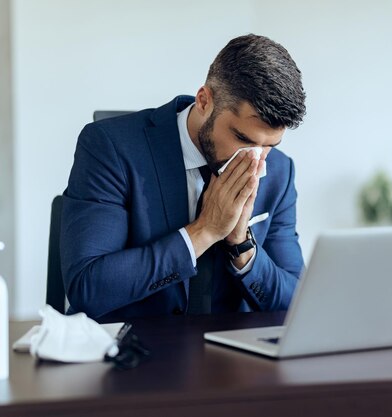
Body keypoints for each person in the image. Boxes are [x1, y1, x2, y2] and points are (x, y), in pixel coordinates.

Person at [60, 34, 306, 320]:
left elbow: (295, 301)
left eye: (270, 146)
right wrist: (204, 231)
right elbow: (87, 288)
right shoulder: (110, 147)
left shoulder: (279, 172)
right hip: (133, 352)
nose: (256, 160)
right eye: (242, 138)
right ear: (204, 101)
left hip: (233, 358)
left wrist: (241, 244)